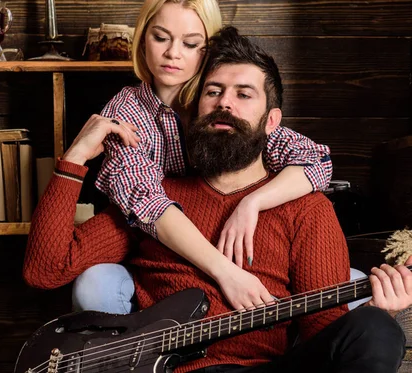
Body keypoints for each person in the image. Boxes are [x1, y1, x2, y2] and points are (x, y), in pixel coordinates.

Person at [24, 27, 412, 373]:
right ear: (195, 112)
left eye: (244, 94)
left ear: (272, 121)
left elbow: (323, 334)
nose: (225, 103)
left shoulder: (307, 210)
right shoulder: (154, 199)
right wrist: (73, 160)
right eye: (214, 92)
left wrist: (382, 311)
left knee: (375, 328)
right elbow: (46, 270)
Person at [73, 0, 334, 314]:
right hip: (156, 250)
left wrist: (252, 203)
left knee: (350, 286)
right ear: (143, 40)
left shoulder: (224, 98)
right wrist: (226, 272)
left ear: (208, 49)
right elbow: (149, 204)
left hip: (222, 225)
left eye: (191, 43)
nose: (173, 53)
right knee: (95, 283)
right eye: (160, 38)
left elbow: (315, 160)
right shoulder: (127, 111)